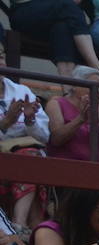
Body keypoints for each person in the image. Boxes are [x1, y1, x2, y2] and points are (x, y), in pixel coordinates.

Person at [0, 55, 50, 229]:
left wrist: (30, 120)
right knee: (30, 161)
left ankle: (20, 225)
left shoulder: (22, 91)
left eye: (2, 57)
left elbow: (44, 136)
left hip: (26, 155)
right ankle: (30, 229)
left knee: (30, 157)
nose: (0, 62)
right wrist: (6, 122)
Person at [6, 0, 99, 79]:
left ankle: (68, 91)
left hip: (52, 16)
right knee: (68, 6)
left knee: (62, 28)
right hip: (24, 12)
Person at [44, 70, 99, 162]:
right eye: (92, 85)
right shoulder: (56, 104)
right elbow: (56, 139)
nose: (98, 91)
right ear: (75, 86)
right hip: (67, 167)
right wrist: (81, 119)